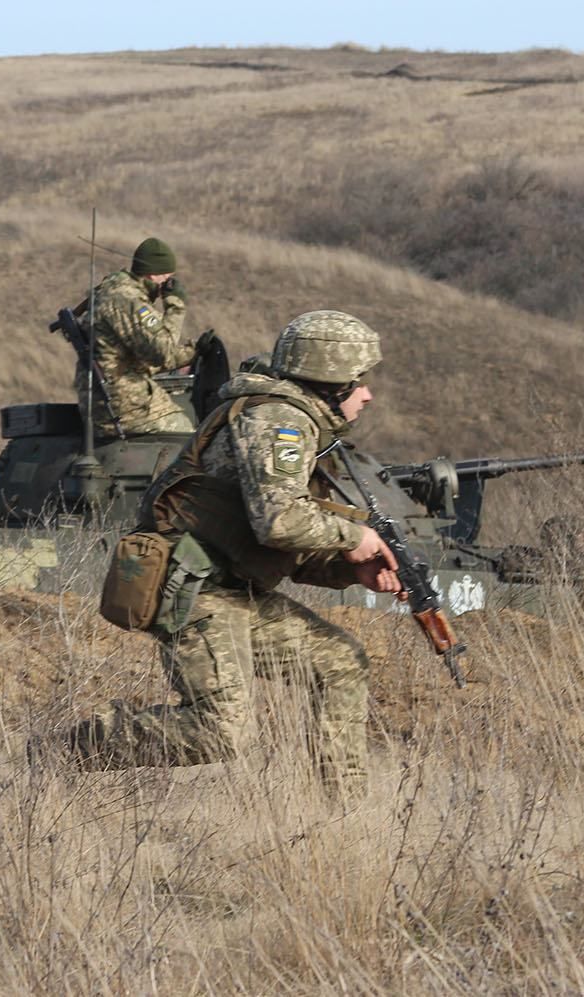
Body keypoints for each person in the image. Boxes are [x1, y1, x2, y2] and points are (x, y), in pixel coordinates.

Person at [67, 310, 402, 802]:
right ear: (330, 381)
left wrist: (351, 572)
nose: (367, 395)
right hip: (194, 588)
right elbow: (280, 520)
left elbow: (278, 543)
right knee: (220, 731)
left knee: (339, 661)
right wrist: (355, 539)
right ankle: (68, 749)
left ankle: (344, 811)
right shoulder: (278, 420)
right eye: (358, 382)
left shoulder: (298, 424)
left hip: (233, 589)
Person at [80, 236, 198, 437]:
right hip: (126, 408)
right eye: (167, 279)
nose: (168, 285)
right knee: (187, 435)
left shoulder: (115, 295)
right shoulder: (126, 300)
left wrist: (193, 351)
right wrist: (176, 305)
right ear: (153, 275)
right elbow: (162, 353)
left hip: (111, 401)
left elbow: (145, 356)